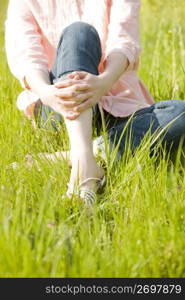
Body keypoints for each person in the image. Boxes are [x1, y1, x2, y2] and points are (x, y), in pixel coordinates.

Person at [5, 0, 185, 204]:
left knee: (180, 114)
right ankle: (86, 171)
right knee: (79, 33)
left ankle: (74, 156)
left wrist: (104, 82)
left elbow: (123, 41)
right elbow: (28, 57)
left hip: (115, 104)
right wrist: (47, 92)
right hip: (58, 107)